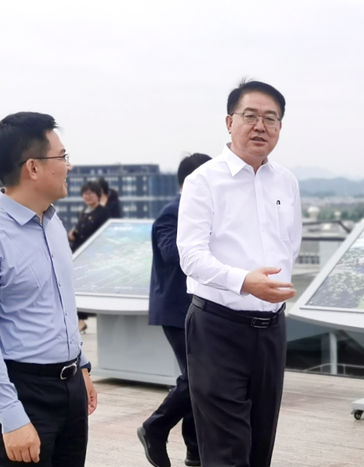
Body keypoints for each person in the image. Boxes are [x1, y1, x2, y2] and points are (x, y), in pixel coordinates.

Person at [0, 111, 97, 467]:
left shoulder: (52, 222)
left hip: (70, 387)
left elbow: (59, 303)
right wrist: (11, 416)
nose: (68, 166)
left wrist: (80, 367)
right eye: (62, 156)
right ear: (33, 167)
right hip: (21, 391)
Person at [177, 80, 302, 467]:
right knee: (227, 452)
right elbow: (190, 256)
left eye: (271, 118)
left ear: (279, 127)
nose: (260, 126)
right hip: (218, 327)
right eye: (250, 116)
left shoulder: (286, 181)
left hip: (271, 329)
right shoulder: (204, 180)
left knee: (259, 446)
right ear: (230, 122)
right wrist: (244, 282)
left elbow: (291, 245)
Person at [137, 153, 211, 467]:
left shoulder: (206, 213)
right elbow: (170, 253)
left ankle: (195, 452)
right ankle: (155, 427)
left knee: (200, 380)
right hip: (177, 311)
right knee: (197, 378)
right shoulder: (172, 212)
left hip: (202, 308)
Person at [68, 180, 111, 333]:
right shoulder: (83, 213)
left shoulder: (103, 213)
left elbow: (103, 234)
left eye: (91, 193)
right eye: (85, 194)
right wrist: (73, 235)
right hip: (80, 255)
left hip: (94, 257)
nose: (87, 196)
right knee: (77, 288)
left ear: (98, 195)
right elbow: (80, 231)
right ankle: (80, 320)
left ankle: (86, 320)